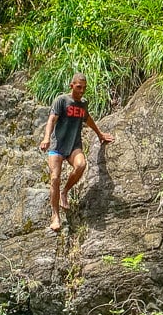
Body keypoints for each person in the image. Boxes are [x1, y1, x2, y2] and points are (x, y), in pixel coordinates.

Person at [40, 74, 113, 234]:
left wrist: (100, 134)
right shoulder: (62, 100)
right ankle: (55, 216)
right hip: (57, 145)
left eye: (84, 88)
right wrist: (46, 138)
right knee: (54, 178)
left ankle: (65, 192)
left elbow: (88, 119)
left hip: (74, 145)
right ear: (71, 85)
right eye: (79, 87)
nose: (82, 90)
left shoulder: (83, 104)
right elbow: (51, 120)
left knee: (81, 165)